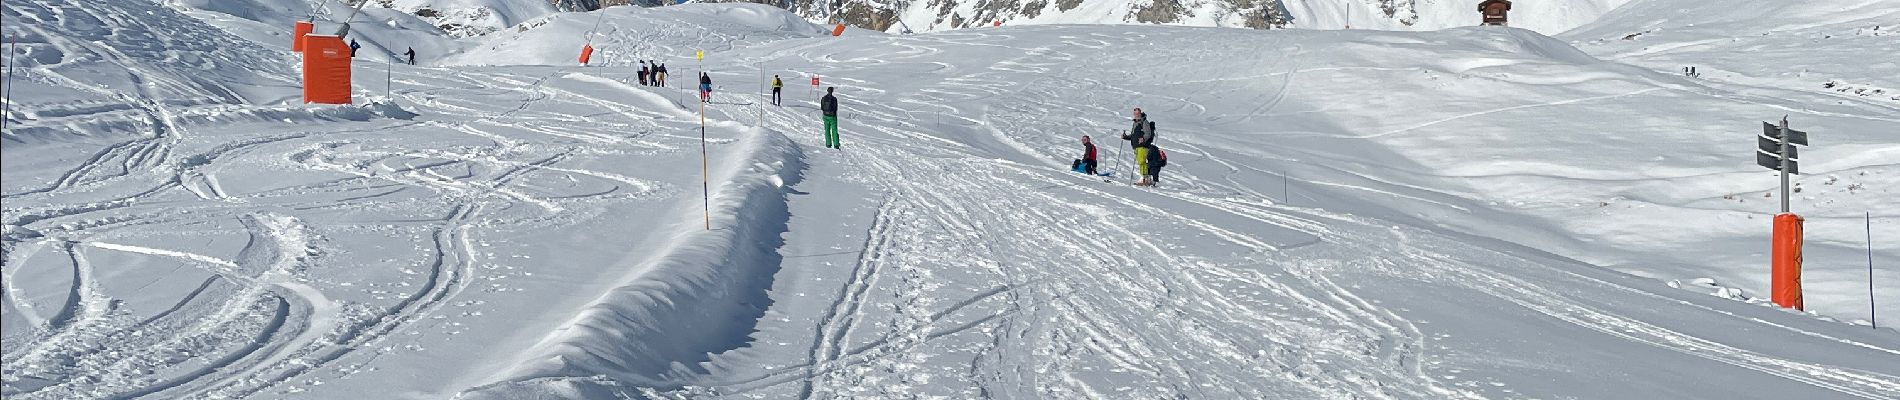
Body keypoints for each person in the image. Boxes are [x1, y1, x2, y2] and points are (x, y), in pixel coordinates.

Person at [1121, 108, 1155, 186]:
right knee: (1141, 161)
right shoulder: (1135, 123)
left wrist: (1143, 138)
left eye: (1138, 114)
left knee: (1141, 161)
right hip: (1136, 146)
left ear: (1140, 113)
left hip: (1143, 145)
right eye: (1135, 114)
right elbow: (1133, 136)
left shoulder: (1144, 122)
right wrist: (1125, 137)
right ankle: (1145, 178)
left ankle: (1144, 178)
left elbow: (1148, 133)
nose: (1136, 115)